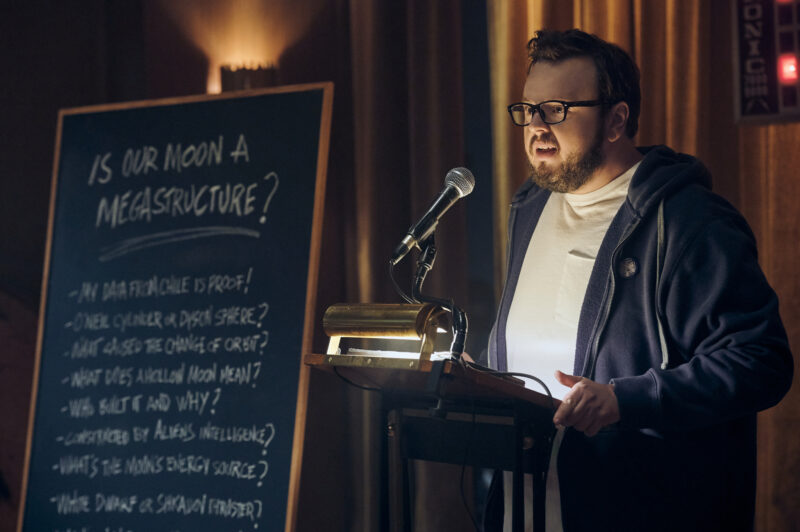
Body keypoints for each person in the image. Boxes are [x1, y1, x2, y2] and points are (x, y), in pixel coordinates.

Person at [483, 29, 794, 532]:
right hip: (527, 505)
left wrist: (625, 400)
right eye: (527, 109)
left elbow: (761, 361)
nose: (536, 126)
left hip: (640, 506)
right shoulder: (530, 205)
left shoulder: (691, 221)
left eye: (556, 110)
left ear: (617, 120)